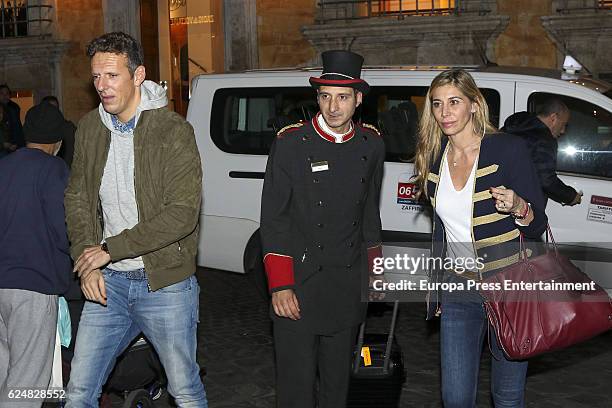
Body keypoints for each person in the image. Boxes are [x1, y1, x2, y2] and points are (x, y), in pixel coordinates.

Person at [64, 32, 207, 408]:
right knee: (78, 392)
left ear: (138, 75)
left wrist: (110, 249)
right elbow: (78, 200)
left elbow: (181, 214)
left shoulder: (173, 131)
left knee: (185, 391)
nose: (101, 86)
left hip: (165, 285)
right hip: (107, 285)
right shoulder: (89, 129)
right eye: (96, 77)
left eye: (111, 75)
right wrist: (87, 263)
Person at [413, 69, 548, 407]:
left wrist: (518, 206)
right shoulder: (433, 158)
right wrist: (438, 286)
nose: (445, 113)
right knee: (455, 397)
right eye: (437, 104)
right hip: (459, 287)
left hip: (509, 286)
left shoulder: (507, 149)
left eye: (454, 102)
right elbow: (442, 230)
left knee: (506, 396)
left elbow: (537, 225)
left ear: (474, 105)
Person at [260, 49, 385, 408]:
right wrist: (281, 285)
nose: (333, 107)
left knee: (338, 388)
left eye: (343, 98)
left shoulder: (372, 144)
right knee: (296, 390)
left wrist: (374, 276)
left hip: (346, 285)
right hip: (299, 284)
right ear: (317, 97)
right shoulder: (290, 144)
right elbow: (274, 219)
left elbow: (369, 215)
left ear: (358, 100)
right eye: (325, 97)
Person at [0, 102, 71, 406]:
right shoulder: (53, 169)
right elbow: (64, 230)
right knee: (26, 385)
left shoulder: (3, 166)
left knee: (4, 374)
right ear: (58, 142)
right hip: (34, 286)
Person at [501, 98, 581, 207]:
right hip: (522, 205)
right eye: (563, 124)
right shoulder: (543, 140)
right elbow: (546, 180)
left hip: (502, 198)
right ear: (553, 118)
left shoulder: (512, 127)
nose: (563, 131)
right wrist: (571, 197)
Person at [41, 95, 76, 168]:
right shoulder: (39, 129)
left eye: (55, 108)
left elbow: (70, 153)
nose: (54, 111)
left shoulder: (67, 127)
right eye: (51, 108)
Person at [0, 84, 25, 150]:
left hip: (13, 145)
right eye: (2, 93)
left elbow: (17, 128)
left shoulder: (14, 108)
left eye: (7, 93)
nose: (5, 96)